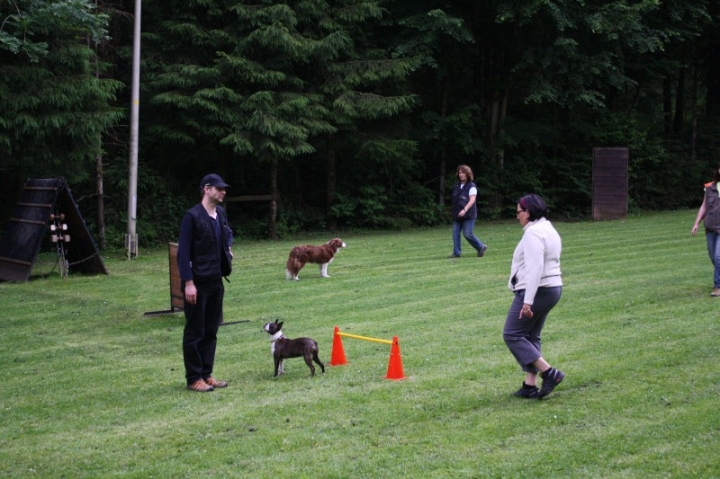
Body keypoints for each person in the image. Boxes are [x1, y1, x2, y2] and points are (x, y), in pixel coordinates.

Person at [503, 194, 564, 399]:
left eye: (519, 212)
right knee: (531, 335)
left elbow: (535, 268)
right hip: (552, 288)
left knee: (512, 334)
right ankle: (530, 386)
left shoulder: (534, 233)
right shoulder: (548, 228)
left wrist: (527, 301)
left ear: (528, 212)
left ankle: (550, 373)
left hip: (538, 290)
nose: (517, 216)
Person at [177, 173, 234, 392]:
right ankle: (193, 378)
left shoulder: (220, 213)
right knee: (195, 331)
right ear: (207, 189)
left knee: (211, 330)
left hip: (216, 281)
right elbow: (183, 254)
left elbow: (227, 234)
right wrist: (188, 282)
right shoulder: (192, 217)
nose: (223, 192)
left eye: (224, 189)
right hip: (197, 284)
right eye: (219, 188)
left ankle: (206, 374)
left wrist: (227, 248)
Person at [692, 163, 720, 296]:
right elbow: (703, 207)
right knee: (713, 256)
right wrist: (696, 223)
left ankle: (717, 287)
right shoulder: (709, 187)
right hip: (710, 227)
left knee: (718, 256)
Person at [449, 165, 488, 258]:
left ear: (468, 174)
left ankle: (481, 247)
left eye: (463, 173)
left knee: (467, 234)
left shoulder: (472, 186)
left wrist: (464, 210)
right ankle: (456, 253)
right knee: (455, 233)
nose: (461, 174)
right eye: (460, 173)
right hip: (458, 214)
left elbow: (472, 200)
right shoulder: (457, 185)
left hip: (469, 215)